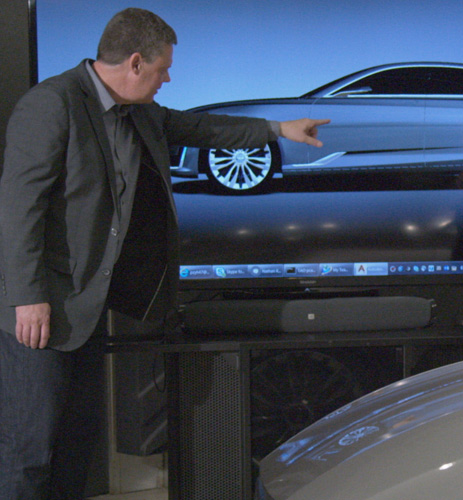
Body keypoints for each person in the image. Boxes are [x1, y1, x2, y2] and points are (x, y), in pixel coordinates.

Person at [0, 8, 329, 498]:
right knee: (30, 452)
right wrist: (28, 297)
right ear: (135, 63)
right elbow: (18, 206)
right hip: (41, 311)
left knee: (74, 446)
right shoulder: (53, 104)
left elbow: (204, 130)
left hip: (86, 312)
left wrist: (279, 130)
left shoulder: (139, 112)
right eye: (163, 68)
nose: (168, 78)